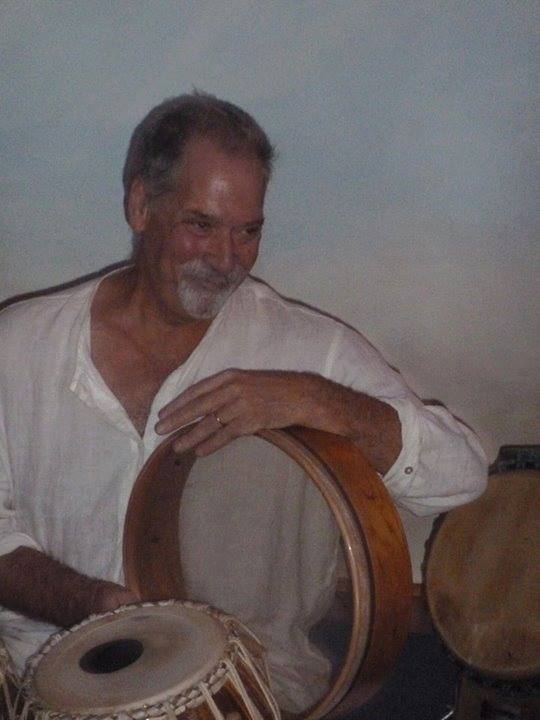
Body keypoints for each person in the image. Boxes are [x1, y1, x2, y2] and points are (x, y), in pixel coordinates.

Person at [0, 92, 487, 711]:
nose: (227, 259)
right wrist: (96, 605)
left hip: (254, 693)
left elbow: (461, 477)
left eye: (248, 231)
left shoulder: (302, 349)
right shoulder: (18, 346)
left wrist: (319, 401)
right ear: (141, 206)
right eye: (201, 226)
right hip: (54, 684)